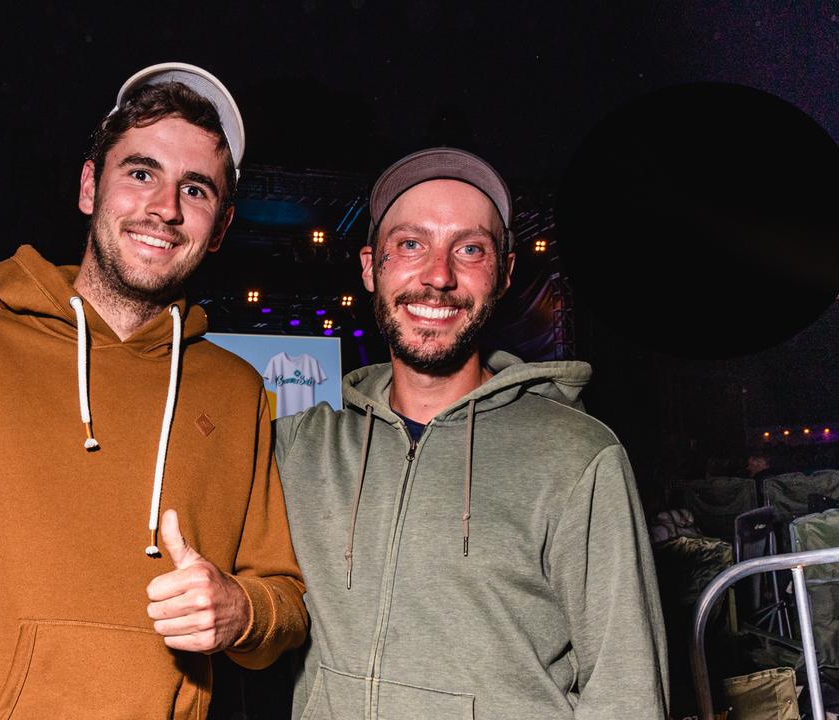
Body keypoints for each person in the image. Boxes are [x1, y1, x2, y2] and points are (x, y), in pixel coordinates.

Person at [0, 62, 306, 719]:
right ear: (91, 186)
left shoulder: (235, 390)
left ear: (221, 227)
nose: (165, 209)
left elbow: (283, 600)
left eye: (196, 190)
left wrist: (242, 610)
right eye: (141, 172)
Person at [274, 148, 669, 718]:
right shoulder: (303, 448)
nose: (438, 275)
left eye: (470, 249)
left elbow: (626, 690)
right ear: (369, 267)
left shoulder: (579, 457)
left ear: (505, 274)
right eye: (411, 244)